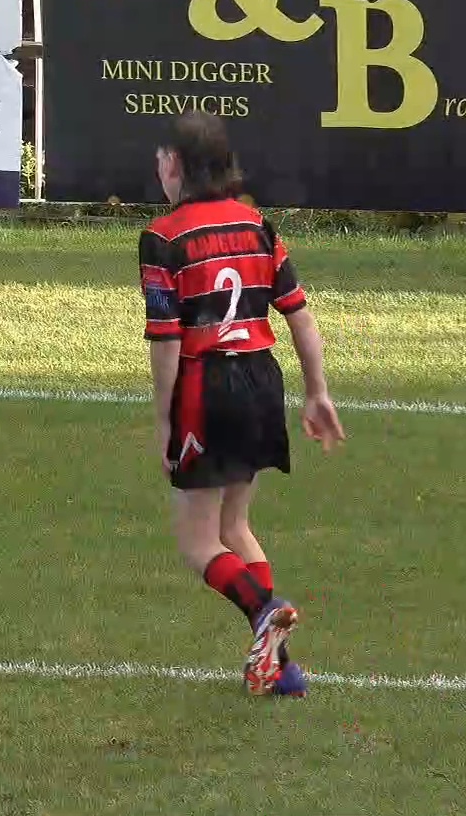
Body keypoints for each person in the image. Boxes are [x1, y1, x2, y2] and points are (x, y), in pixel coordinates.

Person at [139, 111, 345, 698]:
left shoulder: (164, 236)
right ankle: (282, 668)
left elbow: (168, 339)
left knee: (199, 541)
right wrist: (317, 391)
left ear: (175, 163)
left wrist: (164, 422)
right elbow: (300, 315)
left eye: (160, 158)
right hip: (262, 383)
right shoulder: (258, 225)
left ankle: (265, 609)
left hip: (208, 386)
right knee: (236, 524)